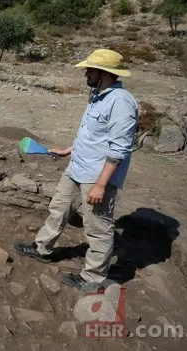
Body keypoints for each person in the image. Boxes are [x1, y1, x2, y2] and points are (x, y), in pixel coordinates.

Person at [14, 49, 139, 292]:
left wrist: (102, 184)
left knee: (98, 228)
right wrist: (69, 149)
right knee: (59, 208)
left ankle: (93, 278)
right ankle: (43, 248)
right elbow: (93, 136)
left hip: (96, 175)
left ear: (104, 73)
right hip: (78, 167)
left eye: (89, 70)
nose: (85, 74)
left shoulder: (121, 102)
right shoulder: (98, 95)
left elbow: (119, 149)